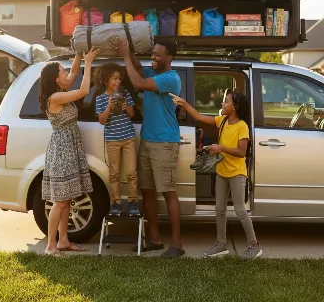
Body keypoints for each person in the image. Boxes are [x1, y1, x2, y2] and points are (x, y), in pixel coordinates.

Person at [111, 38, 184, 258]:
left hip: (165, 142)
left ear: (169, 57)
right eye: (152, 53)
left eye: (157, 55)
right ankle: (154, 239)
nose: (153, 57)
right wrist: (129, 49)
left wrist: (125, 55)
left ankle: (177, 245)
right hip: (148, 139)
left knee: (168, 192)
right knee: (147, 191)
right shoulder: (153, 73)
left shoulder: (171, 78)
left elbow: (138, 84)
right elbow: (138, 68)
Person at [172, 91, 263, 259]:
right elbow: (199, 117)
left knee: (240, 210)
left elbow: (242, 152)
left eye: (226, 101)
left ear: (234, 107)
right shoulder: (222, 121)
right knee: (219, 209)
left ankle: (254, 245)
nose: (222, 104)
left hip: (236, 173)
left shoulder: (242, 126)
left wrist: (221, 148)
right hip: (222, 171)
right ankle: (221, 244)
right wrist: (184, 104)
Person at [39, 46, 100, 255]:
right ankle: (51, 245)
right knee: (60, 201)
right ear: (56, 79)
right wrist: (89, 62)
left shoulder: (61, 91)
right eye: (62, 72)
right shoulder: (55, 97)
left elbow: (74, 73)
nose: (67, 73)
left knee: (67, 199)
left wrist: (78, 54)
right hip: (62, 150)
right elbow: (83, 90)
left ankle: (64, 241)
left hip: (69, 146)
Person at [94, 63, 140, 217]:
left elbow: (132, 114)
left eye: (119, 78)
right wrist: (108, 107)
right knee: (114, 174)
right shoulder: (100, 98)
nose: (118, 82)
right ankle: (116, 203)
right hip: (112, 140)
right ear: (106, 79)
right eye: (114, 78)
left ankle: (133, 202)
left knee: (132, 172)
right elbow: (102, 120)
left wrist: (126, 106)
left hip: (128, 137)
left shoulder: (125, 93)